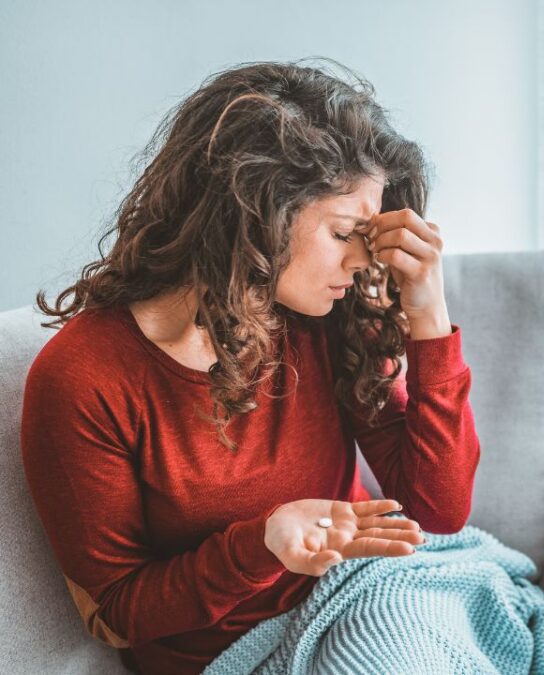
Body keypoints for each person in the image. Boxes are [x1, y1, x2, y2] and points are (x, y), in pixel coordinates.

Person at [19, 59, 481, 675]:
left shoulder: (326, 319)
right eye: (345, 234)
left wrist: (427, 315)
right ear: (255, 215)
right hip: (230, 654)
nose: (361, 263)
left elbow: (438, 511)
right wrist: (262, 546)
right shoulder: (83, 378)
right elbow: (117, 610)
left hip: (368, 594)